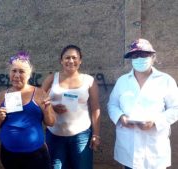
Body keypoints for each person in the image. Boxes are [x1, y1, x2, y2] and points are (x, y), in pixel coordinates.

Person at [107, 38, 178, 169]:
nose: (139, 58)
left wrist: (156, 122)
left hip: (154, 149)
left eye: (144, 55)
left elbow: (175, 108)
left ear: (153, 57)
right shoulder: (122, 81)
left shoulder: (166, 80)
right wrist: (120, 117)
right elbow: (112, 105)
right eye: (135, 55)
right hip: (129, 145)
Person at [0, 51, 56, 169]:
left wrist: (47, 110)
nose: (16, 75)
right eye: (14, 71)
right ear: (9, 73)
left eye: (21, 71)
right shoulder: (2, 95)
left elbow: (51, 122)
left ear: (29, 74)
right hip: (9, 155)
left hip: (36, 156)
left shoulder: (39, 93)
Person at [42, 44, 101, 169]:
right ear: (61, 60)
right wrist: (51, 107)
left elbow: (95, 109)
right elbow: (37, 100)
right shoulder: (52, 78)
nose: (71, 61)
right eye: (67, 58)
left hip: (81, 135)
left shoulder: (89, 81)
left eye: (74, 58)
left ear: (80, 60)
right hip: (54, 134)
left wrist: (96, 135)